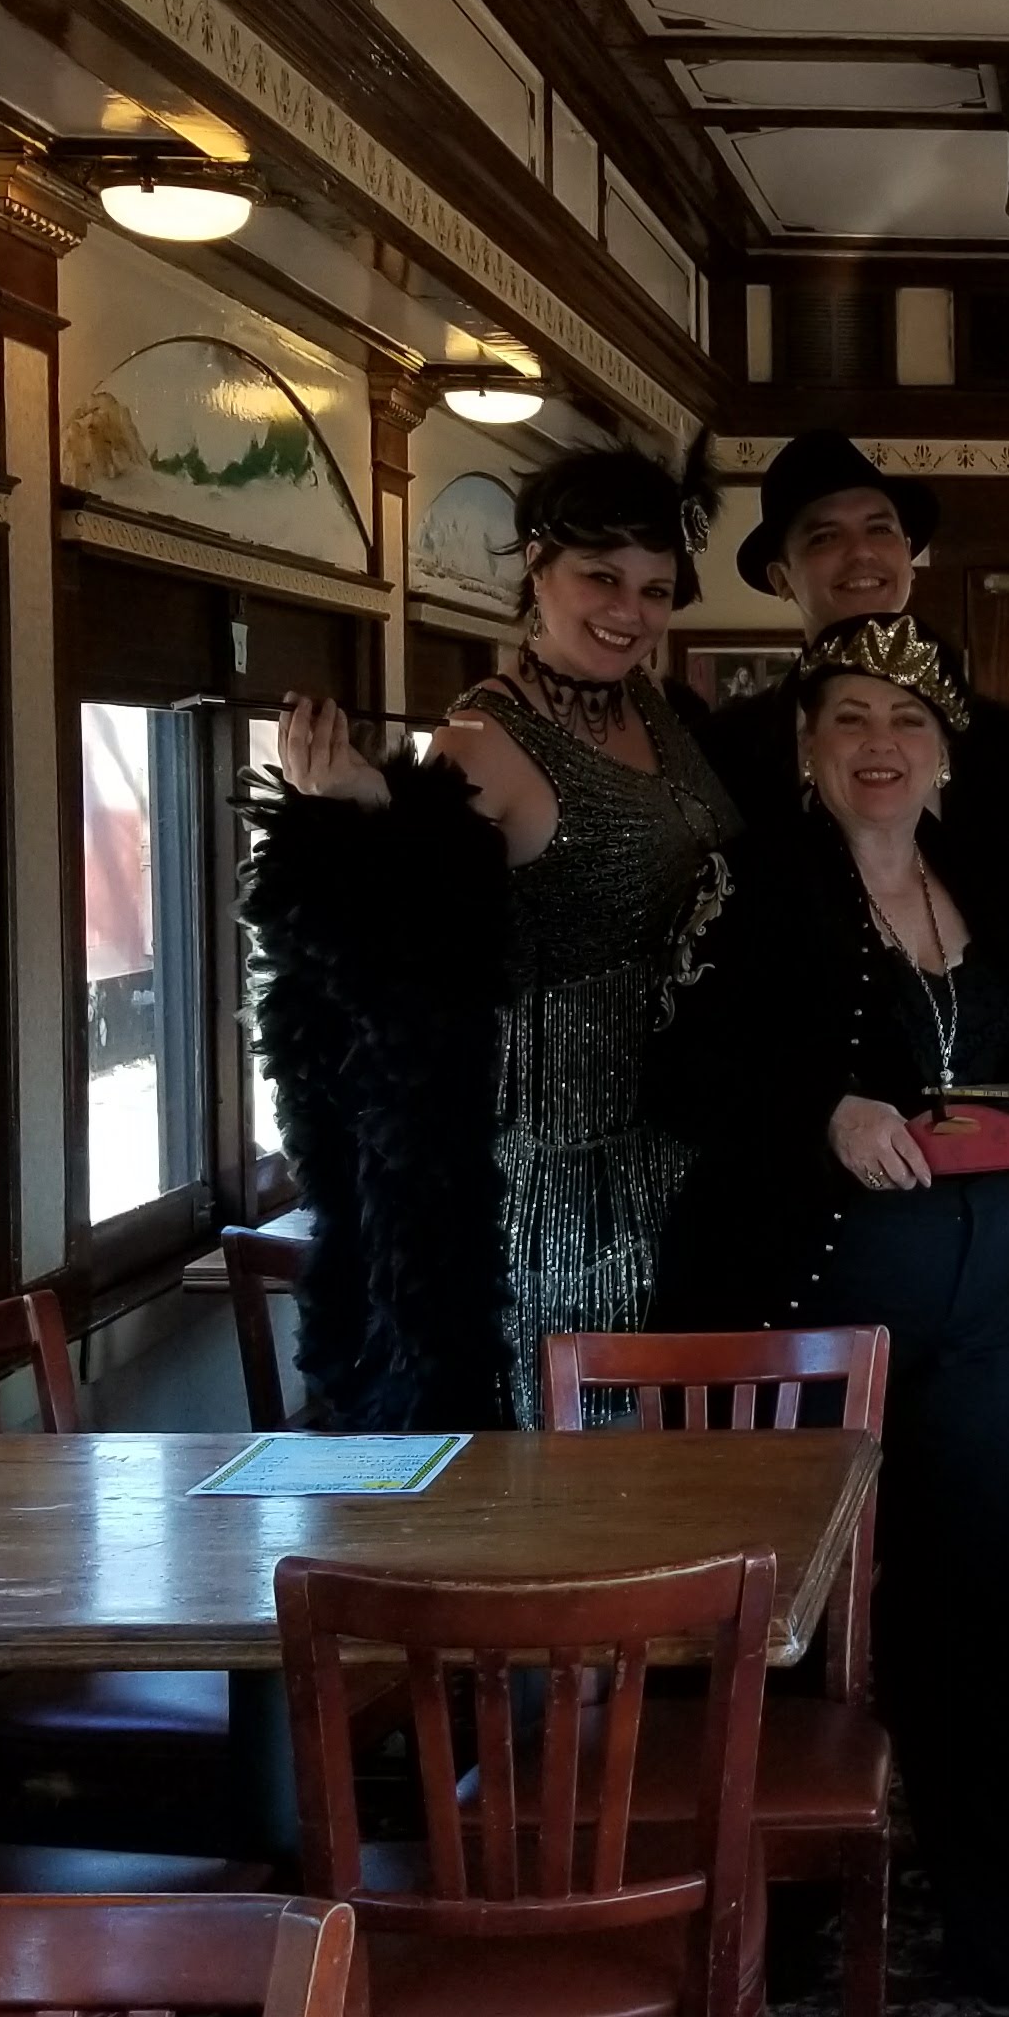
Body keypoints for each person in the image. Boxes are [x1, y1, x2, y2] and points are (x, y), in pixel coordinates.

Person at [655, 616, 1009, 2004]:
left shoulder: (991, 882)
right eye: (850, 718)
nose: (881, 744)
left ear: (946, 757)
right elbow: (679, 1072)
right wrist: (825, 1110)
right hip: (795, 1315)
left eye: (907, 722)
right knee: (781, 1620)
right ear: (808, 747)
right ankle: (768, 1927)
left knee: (983, 1610)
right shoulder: (747, 882)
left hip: (977, 1315)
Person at [247, 440, 737, 1429]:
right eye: (601, 577)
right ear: (537, 568)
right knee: (586, 1461)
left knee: (689, 1456)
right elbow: (418, 929)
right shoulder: (484, 739)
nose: (631, 612)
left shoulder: (656, 707)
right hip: (556, 1181)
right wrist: (361, 806)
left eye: (654, 589)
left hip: (671, 1148)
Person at [697, 431, 1009, 969]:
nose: (861, 553)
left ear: (908, 555)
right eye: (825, 537)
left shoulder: (1006, 740)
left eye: (880, 529)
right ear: (782, 578)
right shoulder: (727, 747)